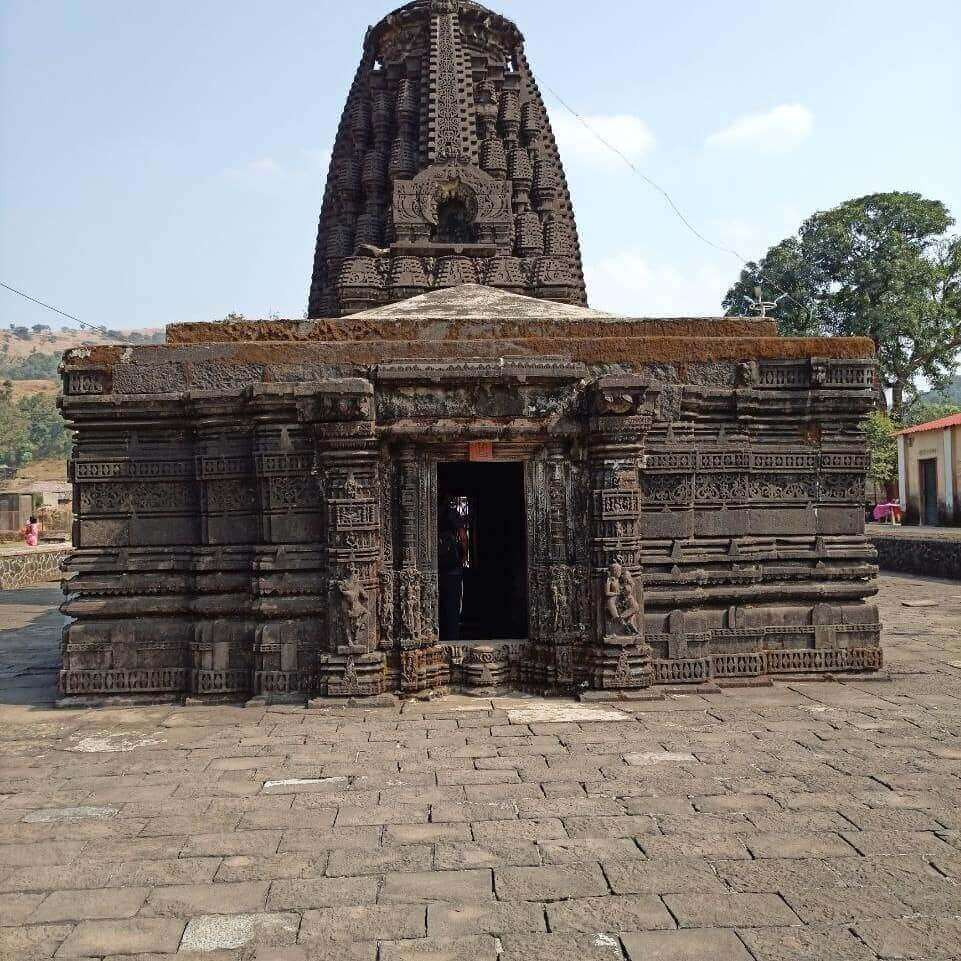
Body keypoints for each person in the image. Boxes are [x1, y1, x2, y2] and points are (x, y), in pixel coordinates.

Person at [438, 506, 467, 641]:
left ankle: (438, 635)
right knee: (453, 606)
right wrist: (463, 558)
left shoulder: (434, 512)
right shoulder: (453, 513)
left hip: (436, 570)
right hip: (453, 570)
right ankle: (452, 637)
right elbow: (463, 537)